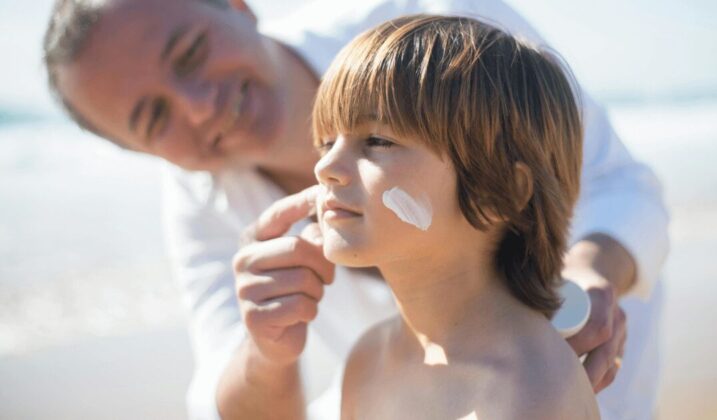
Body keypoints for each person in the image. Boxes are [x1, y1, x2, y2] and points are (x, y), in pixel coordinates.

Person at [42, 0, 669, 419]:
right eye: (154, 118)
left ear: (235, 6)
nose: (199, 105)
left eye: (189, 54)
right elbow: (225, 393)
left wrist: (590, 278)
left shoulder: (444, 39)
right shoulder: (367, 362)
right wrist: (267, 352)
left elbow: (620, 185)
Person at [312, 14, 599, 419]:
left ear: (499, 192)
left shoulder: (530, 391)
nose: (326, 167)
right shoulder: (368, 359)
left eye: (378, 141)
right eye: (326, 143)